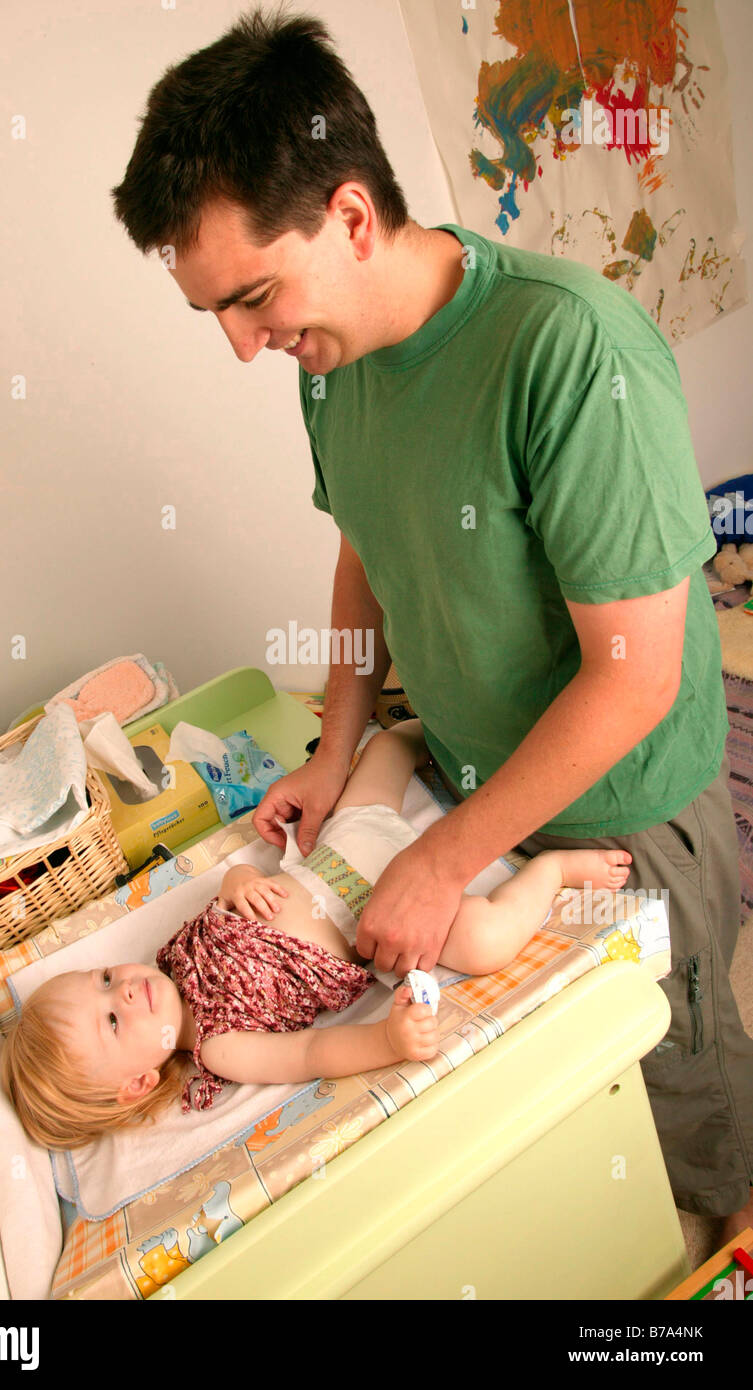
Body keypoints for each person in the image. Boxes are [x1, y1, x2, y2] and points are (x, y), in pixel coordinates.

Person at [109, 7, 753, 1242]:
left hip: (620, 813)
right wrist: (338, 745)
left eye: (251, 299)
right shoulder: (332, 364)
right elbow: (363, 549)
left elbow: (633, 678)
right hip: (469, 780)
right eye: (218, 318)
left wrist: (444, 855)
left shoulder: (564, 350)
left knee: (674, 1089)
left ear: (351, 216)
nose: (246, 348)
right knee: (564, 1120)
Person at [0, 719, 632, 1150]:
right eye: (113, 1020)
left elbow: (235, 887)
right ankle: (552, 873)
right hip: (382, 919)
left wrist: (239, 880)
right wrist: (387, 1038)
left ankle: (452, 723)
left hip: (337, 853)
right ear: (139, 1083)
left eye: (104, 979)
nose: (126, 989)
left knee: (384, 748)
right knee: (488, 940)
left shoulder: (173, 956)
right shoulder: (220, 1048)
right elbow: (310, 1055)